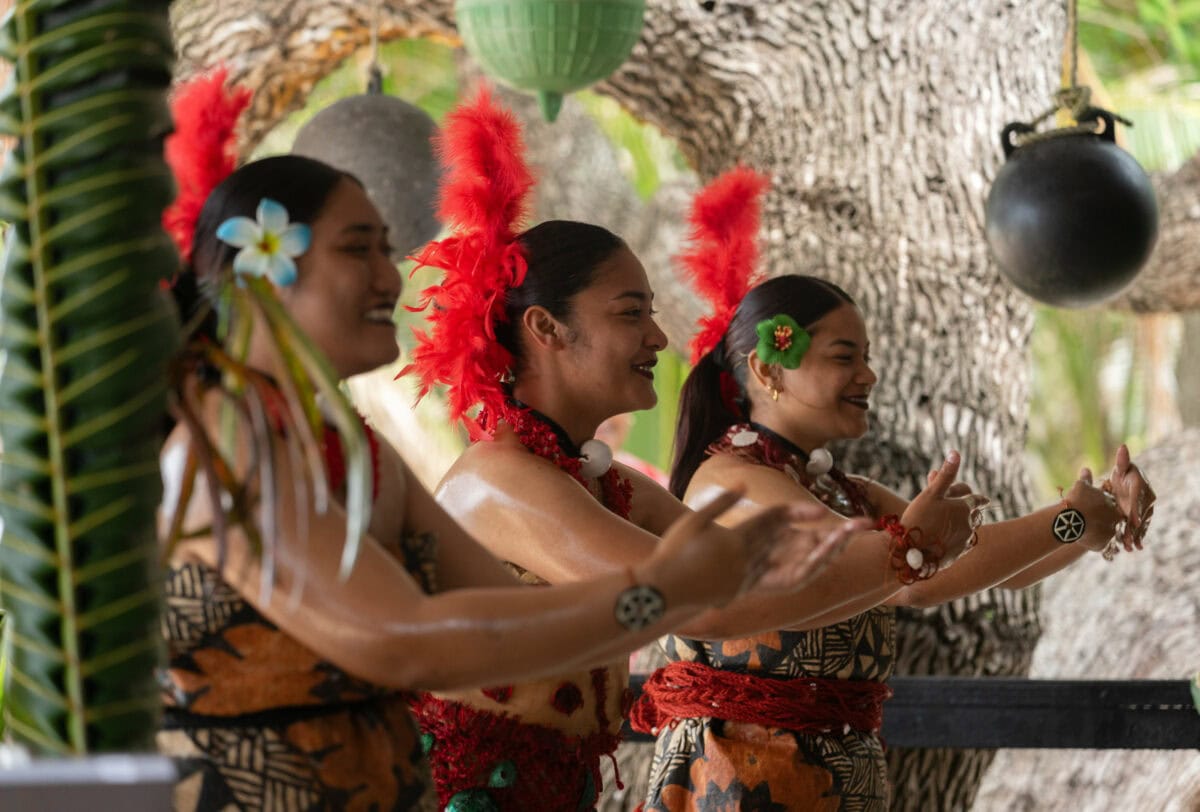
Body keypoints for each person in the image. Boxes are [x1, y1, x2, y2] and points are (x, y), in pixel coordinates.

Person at [154, 80, 851, 812]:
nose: (390, 277)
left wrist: (714, 577)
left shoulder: (353, 452)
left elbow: (500, 620)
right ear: (260, 267)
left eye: (387, 249)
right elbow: (404, 641)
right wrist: (669, 592)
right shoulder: (232, 437)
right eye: (359, 249)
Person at [401, 91, 873, 811]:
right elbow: (698, 607)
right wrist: (905, 557)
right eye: (632, 315)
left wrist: (905, 555)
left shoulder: (605, 483)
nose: (658, 339)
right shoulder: (500, 481)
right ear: (546, 328)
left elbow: (748, 584)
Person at [635, 168, 1157, 810]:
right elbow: (916, 577)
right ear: (770, 370)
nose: (869, 374)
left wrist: (1091, 522)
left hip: (831, 774)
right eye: (844, 357)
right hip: (743, 779)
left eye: (867, 355)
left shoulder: (839, 489)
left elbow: (991, 567)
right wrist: (1067, 521)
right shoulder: (734, 482)